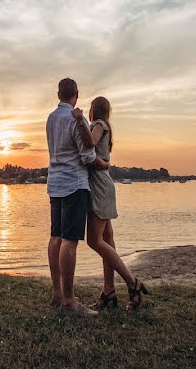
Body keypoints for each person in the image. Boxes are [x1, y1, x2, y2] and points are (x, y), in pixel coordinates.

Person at [73, 97, 148, 310]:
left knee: (94, 241)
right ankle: (109, 291)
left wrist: (79, 121)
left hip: (99, 186)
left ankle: (132, 283)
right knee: (107, 238)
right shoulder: (107, 127)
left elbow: (90, 143)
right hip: (104, 183)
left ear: (93, 110)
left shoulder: (98, 125)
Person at [46, 77, 110, 317]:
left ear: (58, 94)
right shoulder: (78, 119)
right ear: (76, 95)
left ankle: (57, 293)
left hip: (55, 183)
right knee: (70, 241)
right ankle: (70, 301)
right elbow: (87, 156)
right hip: (74, 184)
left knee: (55, 238)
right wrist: (104, 165)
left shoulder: (51, 118)